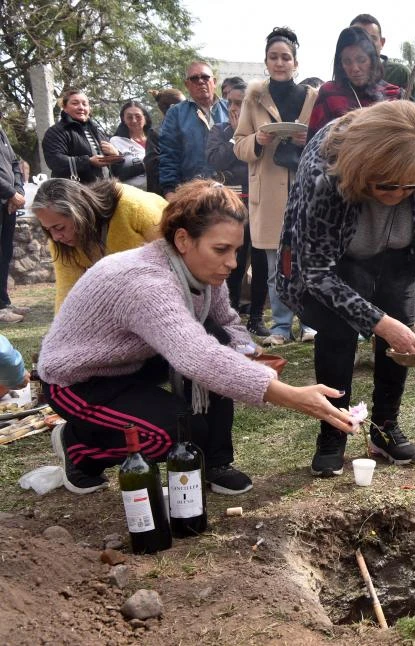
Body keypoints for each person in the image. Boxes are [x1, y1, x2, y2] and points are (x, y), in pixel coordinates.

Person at [38, 180, 353, 495]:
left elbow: (225, 323)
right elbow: (199, 356)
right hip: (77, 380)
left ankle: (216, 464)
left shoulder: (199, 270)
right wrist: (290, 395)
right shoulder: (147, 283)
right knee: (174, 434)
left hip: (131, 363)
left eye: (235, 250)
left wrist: (247, 353)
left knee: (217, 344)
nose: (232, 263)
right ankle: (78, 447)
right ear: (184, 239)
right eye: (221, 249)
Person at [278, 101, 415, 477]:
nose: (400, 194)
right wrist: (378, 322)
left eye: (411, 186)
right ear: (364, 168)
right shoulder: (327, 170)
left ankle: (384, 428)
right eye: (387, 185)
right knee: (338, 332)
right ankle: (334, 432)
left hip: (396, 257)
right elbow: (317, 271)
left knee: (404, 321)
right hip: (337, 261)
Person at [234, 27, 318, 346]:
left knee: (307, 261)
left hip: (304, 189)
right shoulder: (253, 98)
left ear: (295, 62)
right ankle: (281, 326)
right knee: (274, 266)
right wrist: (258, 139)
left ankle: (309, 323)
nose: (280, 62)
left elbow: (328, 143)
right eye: (274, 57)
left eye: (286, 57)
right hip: (267, 193)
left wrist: (306, 137)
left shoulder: (312, 97)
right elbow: (238, 146)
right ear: (266, 62)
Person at [31, 179, 166, 311]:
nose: (55, 237)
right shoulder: (58, 241)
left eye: (59, 227)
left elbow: (172, 259)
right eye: (48, 230)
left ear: (79, 213)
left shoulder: (132, 205)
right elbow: (67, 291)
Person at [206, 80, 269, 336]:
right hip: (231, 204)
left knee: (262, 261)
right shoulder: (219, 130)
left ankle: (256, 317)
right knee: (234, 261)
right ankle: (228, 315)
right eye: (230, 102)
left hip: (262, 201)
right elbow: (216, 159)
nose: (234, 108)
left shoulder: (265, 132)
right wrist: (235, 135)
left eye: (240, 103)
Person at [306, 26, 402, 139]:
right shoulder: (329, 93)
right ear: (340, 64)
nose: (355, 68)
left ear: (372, 60)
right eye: (347, 62)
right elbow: (313, 146)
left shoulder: (395, 95)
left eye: (361, 60)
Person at [158, 61, 230, 198]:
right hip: (191, 192)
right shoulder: (176, 113)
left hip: (230, 191)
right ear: (187, 84)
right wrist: (170, 190)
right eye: (194, 78)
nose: (200, 81)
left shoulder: (230, 109)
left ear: (214, 81)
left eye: (205, 77)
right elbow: (168, 154)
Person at [349, 14, 415, 108]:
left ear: (382, 43)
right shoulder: (342, 76)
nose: (366, 44)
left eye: (372, 38)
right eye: (359, 39)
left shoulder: (400, 73)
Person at [42, 89, 121, 184]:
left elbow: (118, 164)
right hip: (73, 193)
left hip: (103, 191)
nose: (81, 107)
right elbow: (54, 161)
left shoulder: (97, 132)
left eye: (85, 104)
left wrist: (116, 154)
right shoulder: (57, 131)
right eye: (75, 103)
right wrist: (88, 161)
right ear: (64, 107)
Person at [0, 124, 26, 323]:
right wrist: (11, 193)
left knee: (4, 253)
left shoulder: (2, 132)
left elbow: (15, 164)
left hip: (7, 204)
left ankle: (4, 302)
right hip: (6, 198)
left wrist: (18, 192)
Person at [109, 101, 156, 190]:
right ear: (123, 120)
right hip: (132, 195)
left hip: (159, 193)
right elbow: (115, 174)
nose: (134, 120)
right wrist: (146, 165)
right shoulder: (116, 141)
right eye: (129, 117)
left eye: (138, 116)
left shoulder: (156, 140)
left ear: (145, 118)